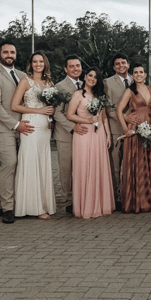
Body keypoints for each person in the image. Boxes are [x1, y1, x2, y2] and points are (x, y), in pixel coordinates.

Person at [0, 41, 31, 224]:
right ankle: (8, 208)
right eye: (6, 52)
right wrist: (14, 124)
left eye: (12, 52)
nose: (9, 55)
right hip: (2, 127)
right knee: (10, 162)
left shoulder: (22, 75)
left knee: (14, 166)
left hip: (22, 126)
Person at [10, 51, 56, 219]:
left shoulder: (49, 83)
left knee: (42, 163)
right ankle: (33, 207)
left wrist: (51, 112)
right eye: (35, 61)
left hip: (45, 128)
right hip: (30, 125)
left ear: (45, 64)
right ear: (31, 64)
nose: (38, 64)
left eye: (41, 61)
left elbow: (50, 105)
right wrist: (39, 110)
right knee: (30, 162)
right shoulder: (25, 81)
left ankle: (43, 203)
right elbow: (14, 105)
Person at [116, 63, 151, 213]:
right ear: (132, 75)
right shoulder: (130, 91)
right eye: (135, 72)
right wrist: (126, 128)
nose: (138, 74)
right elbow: (119, 110)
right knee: (137, 162)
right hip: (135, 129)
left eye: (141, 72)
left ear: (145, 75)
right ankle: (137, 202)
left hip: (150, 127)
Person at [67, 67, 115, 219]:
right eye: (90, 75)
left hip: (99, 134)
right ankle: (85, 206)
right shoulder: (78, 94)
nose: (92, 79)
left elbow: (104, 117)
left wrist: (108, 135)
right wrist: (88, 120)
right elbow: (70, 115)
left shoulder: (99, 95)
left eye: (95, 77)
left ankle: (101, 204)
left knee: (98, 166)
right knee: (85, 166)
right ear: (85, 76)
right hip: (84, 134)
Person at [52, 54, 87, 215]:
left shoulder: (87, 84)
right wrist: (72, 127)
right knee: (66, 169)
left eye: (78, 65)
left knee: (81, 167)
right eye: (72, 66)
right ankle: (68, 201)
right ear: (66, 69)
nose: (75, 69)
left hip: (85, 135)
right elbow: (57, 113)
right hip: (66, 134)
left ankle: (82, 197)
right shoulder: (60, 86)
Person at [103, 53, 133, 205]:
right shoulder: (107, 82)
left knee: (132, 164)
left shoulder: (136, 80)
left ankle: (131, 195)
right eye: (117, 64)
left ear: (128, 64)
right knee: (115, 165)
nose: (121, 65)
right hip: (115, 128)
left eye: (123, 62)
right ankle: (114, 198)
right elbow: (107, 108)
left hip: (135, 129)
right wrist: (124, 118)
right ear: (114, 67)